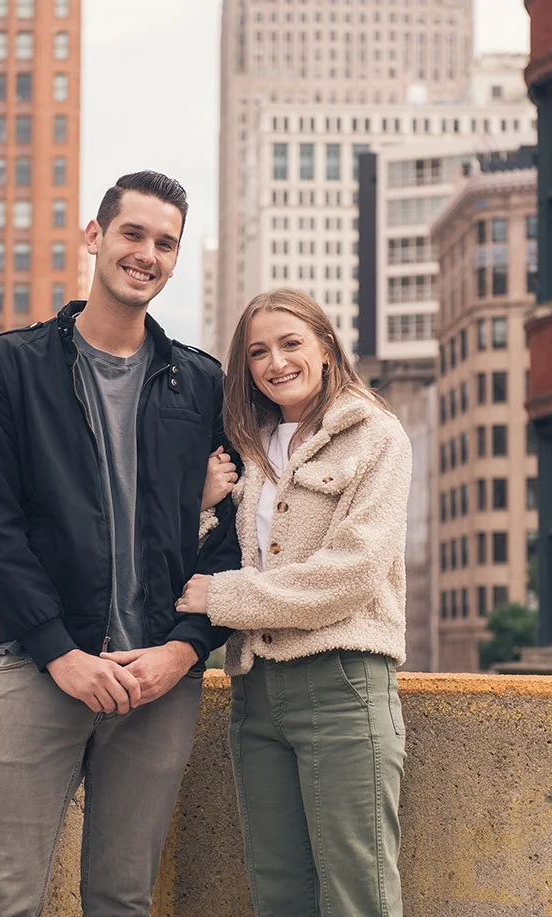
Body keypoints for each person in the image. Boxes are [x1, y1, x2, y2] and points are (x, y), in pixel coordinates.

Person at [0, 170, 239, 917]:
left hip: (161, 679)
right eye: (133, 233)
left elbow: (239, 536)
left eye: (164, 243)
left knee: (121, 899)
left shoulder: (201, 384)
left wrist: (182, 649)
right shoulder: (12, 367)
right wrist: (60, 652)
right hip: (43, 664)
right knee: (2, 897)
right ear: (95, 236)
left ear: (175, 259)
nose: (146, 253)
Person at [176, 287, 412, 917]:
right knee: (277, 890)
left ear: (326, 347)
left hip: (343, 684)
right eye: (258, 352)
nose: (275, 362)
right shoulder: (245, 446)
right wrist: (201, 506)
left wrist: (222, 598)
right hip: (254, 692)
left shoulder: (375, 436)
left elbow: (351, 574)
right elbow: (213, 553)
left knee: (357, 892)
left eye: (290, 343)